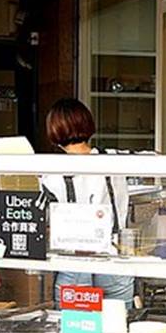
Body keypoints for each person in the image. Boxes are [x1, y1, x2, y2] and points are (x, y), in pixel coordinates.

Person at [40, 98, 134, 306]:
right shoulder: (115, 159)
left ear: (54, 131)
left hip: (73, 261)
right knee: (118, 330)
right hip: (114, 255)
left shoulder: (50, 173)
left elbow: (42, 218)